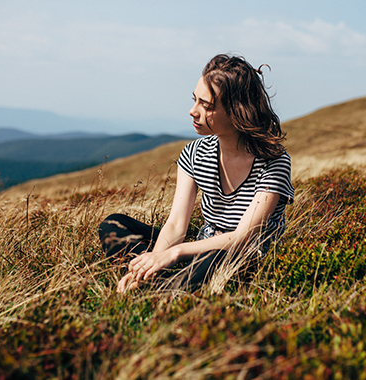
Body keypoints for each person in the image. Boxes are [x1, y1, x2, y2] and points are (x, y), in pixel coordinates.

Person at [98, 54, 294, 293]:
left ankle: (162, 290)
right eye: (195, 100)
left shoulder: (274, 162)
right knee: (113, 224)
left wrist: (175, 253)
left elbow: (242, 237)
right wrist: (152, 264)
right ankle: (152, 281)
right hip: (200, 250)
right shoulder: (194, 153)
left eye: (207, 106)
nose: (193, 111)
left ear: (237, 111)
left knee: (213, 257)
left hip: (239, 256)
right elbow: (176, 225)